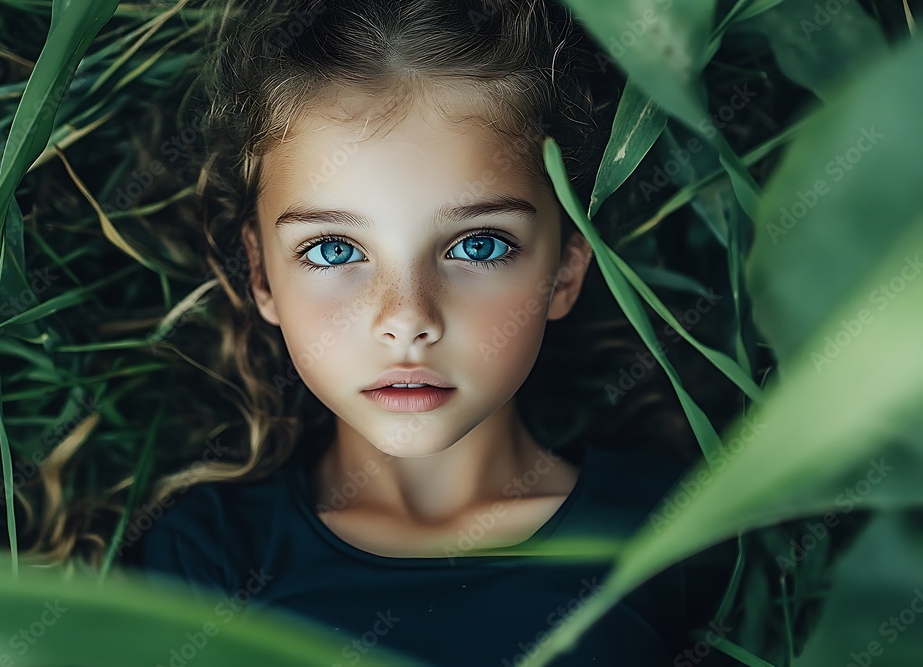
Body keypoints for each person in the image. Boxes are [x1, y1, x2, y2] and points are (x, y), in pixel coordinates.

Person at [123, 0, 725, 664]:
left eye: (477, 246)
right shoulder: (206, 561)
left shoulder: (674, 533)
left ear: (565, 269)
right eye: (332, 250)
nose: (407, 318)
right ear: (263, 275)